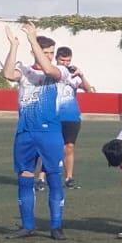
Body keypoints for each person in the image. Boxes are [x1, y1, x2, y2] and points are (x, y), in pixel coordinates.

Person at [1, 24, 72, 239]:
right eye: (46, 52)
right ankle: (27, 226)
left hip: (49, 132)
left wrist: (33, 40)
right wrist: (14, 46)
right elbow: (7, 73)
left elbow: (49, 70)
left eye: (51, 53)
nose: (50, 56)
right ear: (34, 52)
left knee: (53, 177)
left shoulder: (60, 71)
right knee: (25, 177)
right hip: (25, 132)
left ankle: (56, 226)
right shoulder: (25, 70)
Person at [54, 46, 90, 190]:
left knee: (69, 147)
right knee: (49, 147)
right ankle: (41, 178)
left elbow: (89, 90)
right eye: (62, 60)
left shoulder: (73, 75)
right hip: (53, 115)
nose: (65, 63)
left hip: (71, 116)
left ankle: (69, 177)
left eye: (68, 60)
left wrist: (81, 75)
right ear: (56, 59)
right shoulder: (52, 73)